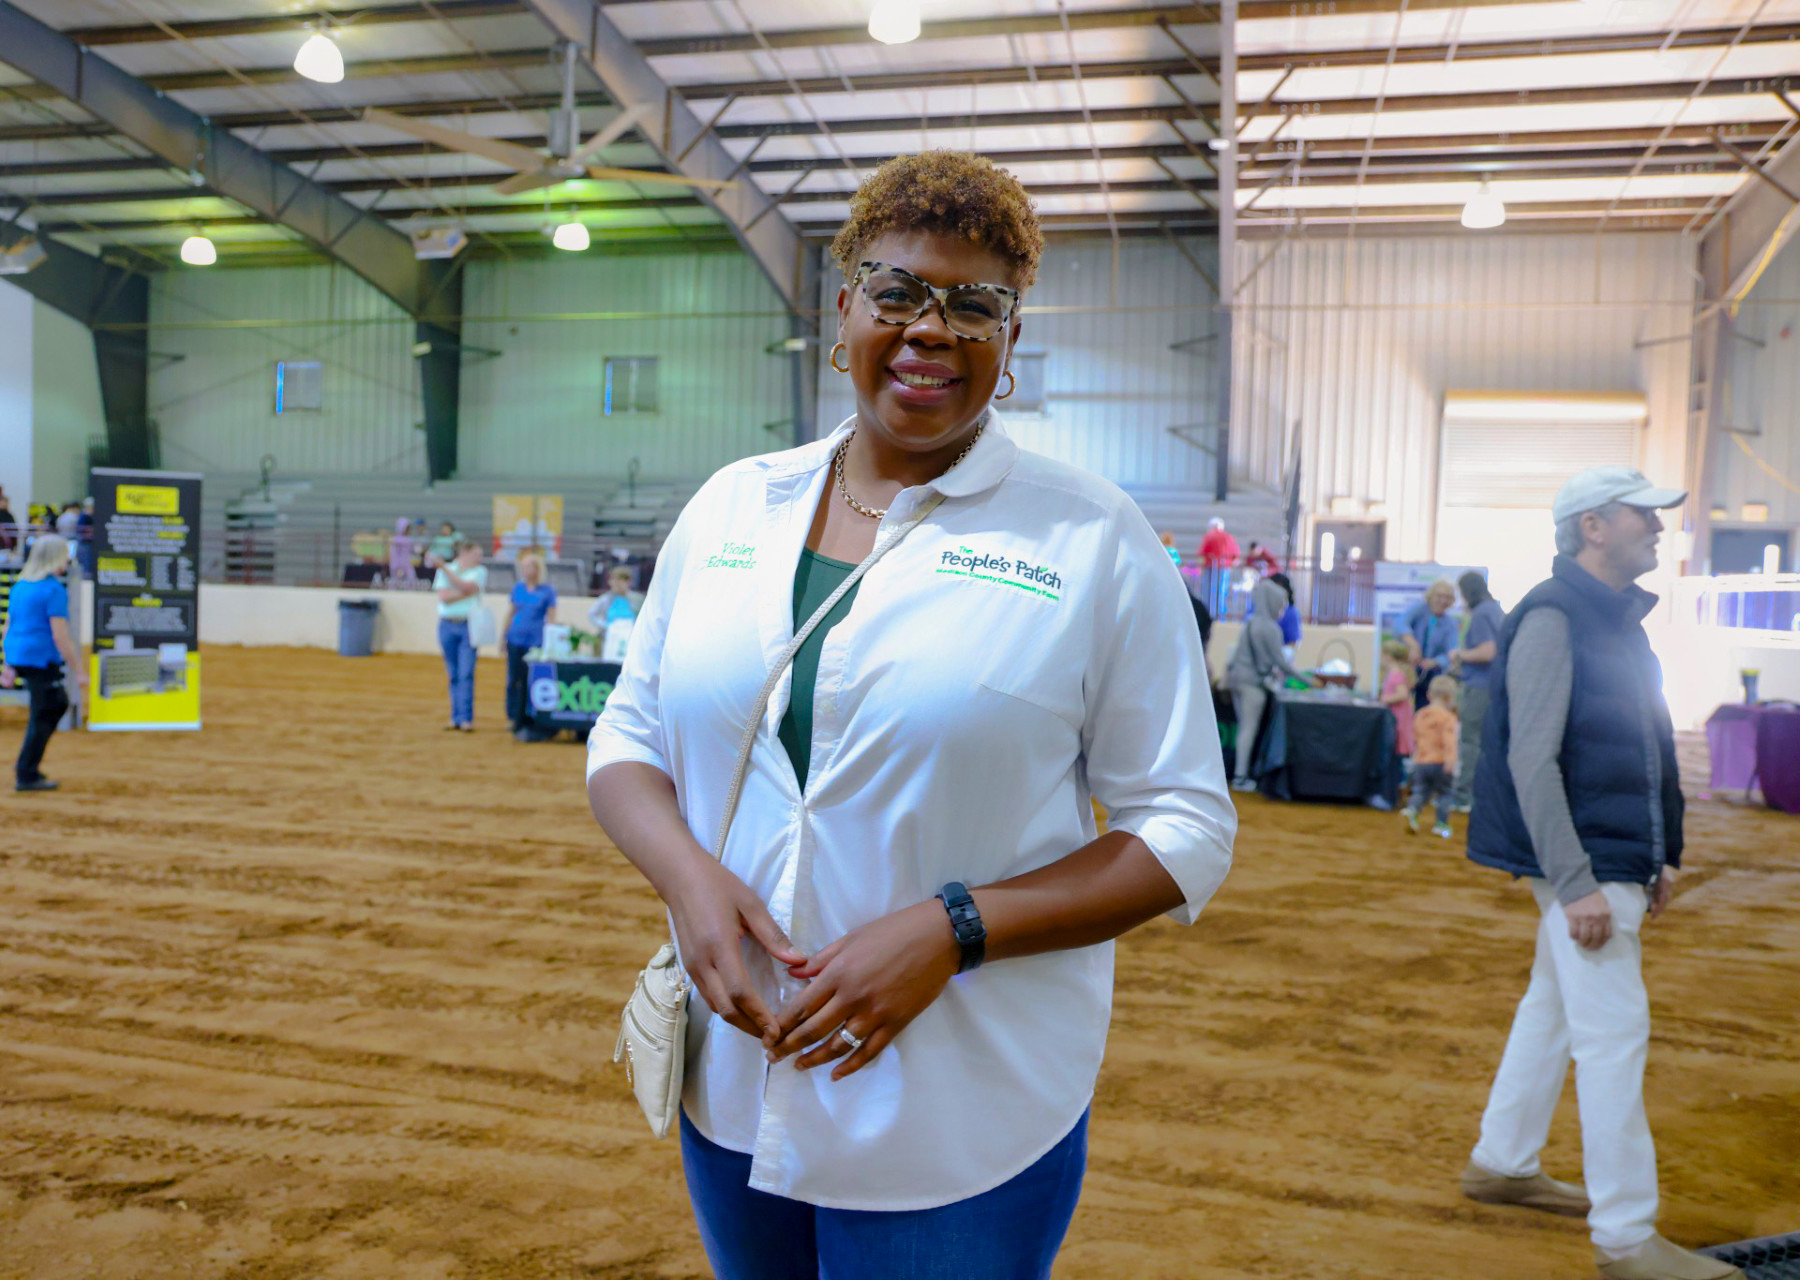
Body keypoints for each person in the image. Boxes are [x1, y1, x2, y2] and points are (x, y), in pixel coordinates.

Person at [584, 151, 1236, 1280]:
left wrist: (956, 926)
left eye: (975, 304)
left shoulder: (1089, 537)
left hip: (961, 1108)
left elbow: (1184, 822)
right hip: (737, 1077)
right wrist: (690, 882)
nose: (932, 329)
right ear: (844, 308)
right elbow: (628, 737)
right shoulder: (734, 504)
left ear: (1010, 338)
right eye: (898, 292)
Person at [1461, 468, 1735, 1280]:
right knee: (1614, 1034)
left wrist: (1661, 850)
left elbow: (1645, 745)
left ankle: (1503, 1160)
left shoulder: (1618, 623)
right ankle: (1625, 1238)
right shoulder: (1553, 617)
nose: (1657, 528)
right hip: (1584, 856)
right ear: (1592, 527)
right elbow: (1531, 758)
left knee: (1553, 1005)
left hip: (1610, 851)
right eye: (1641, 515)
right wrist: (1578, 880)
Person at [1, 535, 85, 792]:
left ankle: (28, 769)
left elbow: (8, 626)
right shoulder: (53, 590)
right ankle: (26, 772)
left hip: (21, 655)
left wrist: (8, 663)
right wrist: (79, 670)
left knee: (52, 705)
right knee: (46, 709)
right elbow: (60, 635)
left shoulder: (20, 586)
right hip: (39, 658)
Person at [1225, 576, 1314, 792]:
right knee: (1248, 729)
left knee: (1242, 729)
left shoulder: (1250, 623)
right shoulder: (1270, 628)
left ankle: (1238, 773)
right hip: (1253, 685)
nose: (1282, 609)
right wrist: (1309, 681)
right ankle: (1240, 777)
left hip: (1236, 680)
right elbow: (1281, 663)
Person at [1449, 571, 1505, 813]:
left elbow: (1487, 652)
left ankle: (1464, 797)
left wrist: (1459, 654)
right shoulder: (1495, 610)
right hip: (1494, 687)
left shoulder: (1481, 614)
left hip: (1479, 687)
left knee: (1470, 742)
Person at [433, 539, 487, 731]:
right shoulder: (469, 572)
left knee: (465, 673)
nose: (480, 558)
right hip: (448, 624)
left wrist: (445, 570)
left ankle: (464, 717)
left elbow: (463, 590)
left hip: (467, 625)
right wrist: (465, 592)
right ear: (466, 552)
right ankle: (458, 717)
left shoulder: (478, 571)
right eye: (477, 554)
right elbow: (445, 598)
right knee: (454, 673)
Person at [504, 551, 558, 741]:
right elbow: (510, 613)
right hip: (515, 639)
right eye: (524, 567)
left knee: (530, 681)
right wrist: (504, 636)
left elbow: (551, 617)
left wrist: (551, 641)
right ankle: (512, 716)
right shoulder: (518, 588)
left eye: (529, 566)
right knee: (513, 680)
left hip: (535, 642)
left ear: (537, 569)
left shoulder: (547, 591)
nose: (525, 570)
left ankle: (528, 715)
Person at [1405, 674, 1459, 837]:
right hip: (1441, 762)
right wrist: (1451, 760)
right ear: (1449, 698)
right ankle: (1441, 824)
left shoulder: (1420, 715)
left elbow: (1415, 737)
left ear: (1429, 695)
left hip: (1421, 761)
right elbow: (1449, 741)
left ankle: (1413, 809)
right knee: (1445, 793)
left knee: (1420, 791)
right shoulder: (1449, 718)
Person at [1402, 578, 1458, 711]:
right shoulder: (1419, 610)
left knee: (1424, 708)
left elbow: (1451, 652)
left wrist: (1434, 662)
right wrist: (1413, 645)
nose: (1442, 601)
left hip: (1431, 674)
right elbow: (1400, 624)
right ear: (1431, 596)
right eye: (1439, 596)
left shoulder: (1451, 624)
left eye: (1447, 597)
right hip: (1409, 668)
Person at [1378, 640, 1415, 763]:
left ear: (1388, 656)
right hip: (1395, 714)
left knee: (1397, 741)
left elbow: (1402, 694)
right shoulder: (1393, 673)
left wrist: (1384, 699)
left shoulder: (1396, 674)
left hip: (1397, 715)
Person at [586, 565, 645, 633]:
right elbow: (591, 614)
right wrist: (605, 626)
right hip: (611, 637)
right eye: (614, 582)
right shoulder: (605, 599)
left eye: (620, 582)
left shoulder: (638, 599)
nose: (617, 585)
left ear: (629, 582)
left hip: (631, 636)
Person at [387, 516, 417, 587]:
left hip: (407, 564)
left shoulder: (408, 539)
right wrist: (398, 566)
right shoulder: (396, 540)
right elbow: (394, 555)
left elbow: (413, 550)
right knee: (396, 583)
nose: (409, 530)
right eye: (407, 528)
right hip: (397, 565)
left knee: (411, 581)